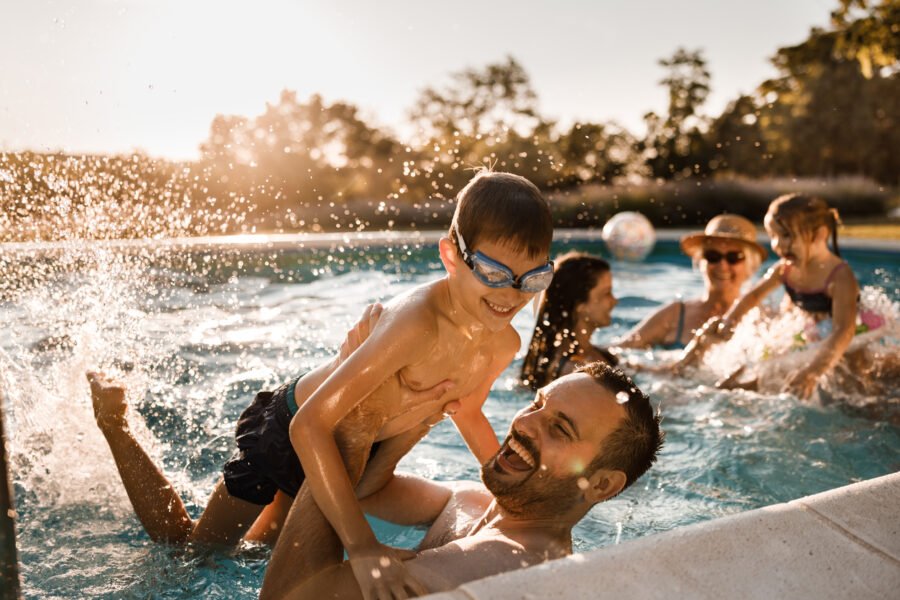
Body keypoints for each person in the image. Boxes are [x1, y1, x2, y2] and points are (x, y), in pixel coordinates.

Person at [90, 170, 556, 599]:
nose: (510, 296)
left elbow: (467, 412)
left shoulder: (501, 344)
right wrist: (363, 544)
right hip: (288, 430)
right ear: (451, 255)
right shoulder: (417, 323)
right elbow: (309, 426)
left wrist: (515, 494)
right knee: (194, 552)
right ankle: (115, 423)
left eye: (532, 279)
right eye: (494, 274)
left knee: (260, 551)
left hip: (350, 452)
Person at [269, 362, 663, 599]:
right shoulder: (473, 501)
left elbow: (288, 598)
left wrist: (353, 427)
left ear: (602, 486)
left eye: (559, 428)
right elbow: (365, 492)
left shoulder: (505, 564)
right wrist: (424, 409)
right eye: (537, 404)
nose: (523, 423)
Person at [675, 194, 864, 398]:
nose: (778, 245)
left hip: (853, 333)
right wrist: (732, 319)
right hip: (815, 329)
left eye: (786, 236)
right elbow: (754, 295)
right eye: (773, 236)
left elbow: (844, 330)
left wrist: (813, 372)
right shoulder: (785, 269)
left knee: (857, 384)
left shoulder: (840, 277)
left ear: (819, 235)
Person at [615, 214, 766, 350]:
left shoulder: (764, 321)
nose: (722, 265)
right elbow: (618, 351)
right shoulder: (675, 314)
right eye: (712, 256)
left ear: (750, 266)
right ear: (701, 261)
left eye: (734, 257)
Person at [520, 252, 618, 390]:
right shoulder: (571, 372)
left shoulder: (597, 353)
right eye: (607, 293)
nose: (615, 301)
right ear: (580, 305)